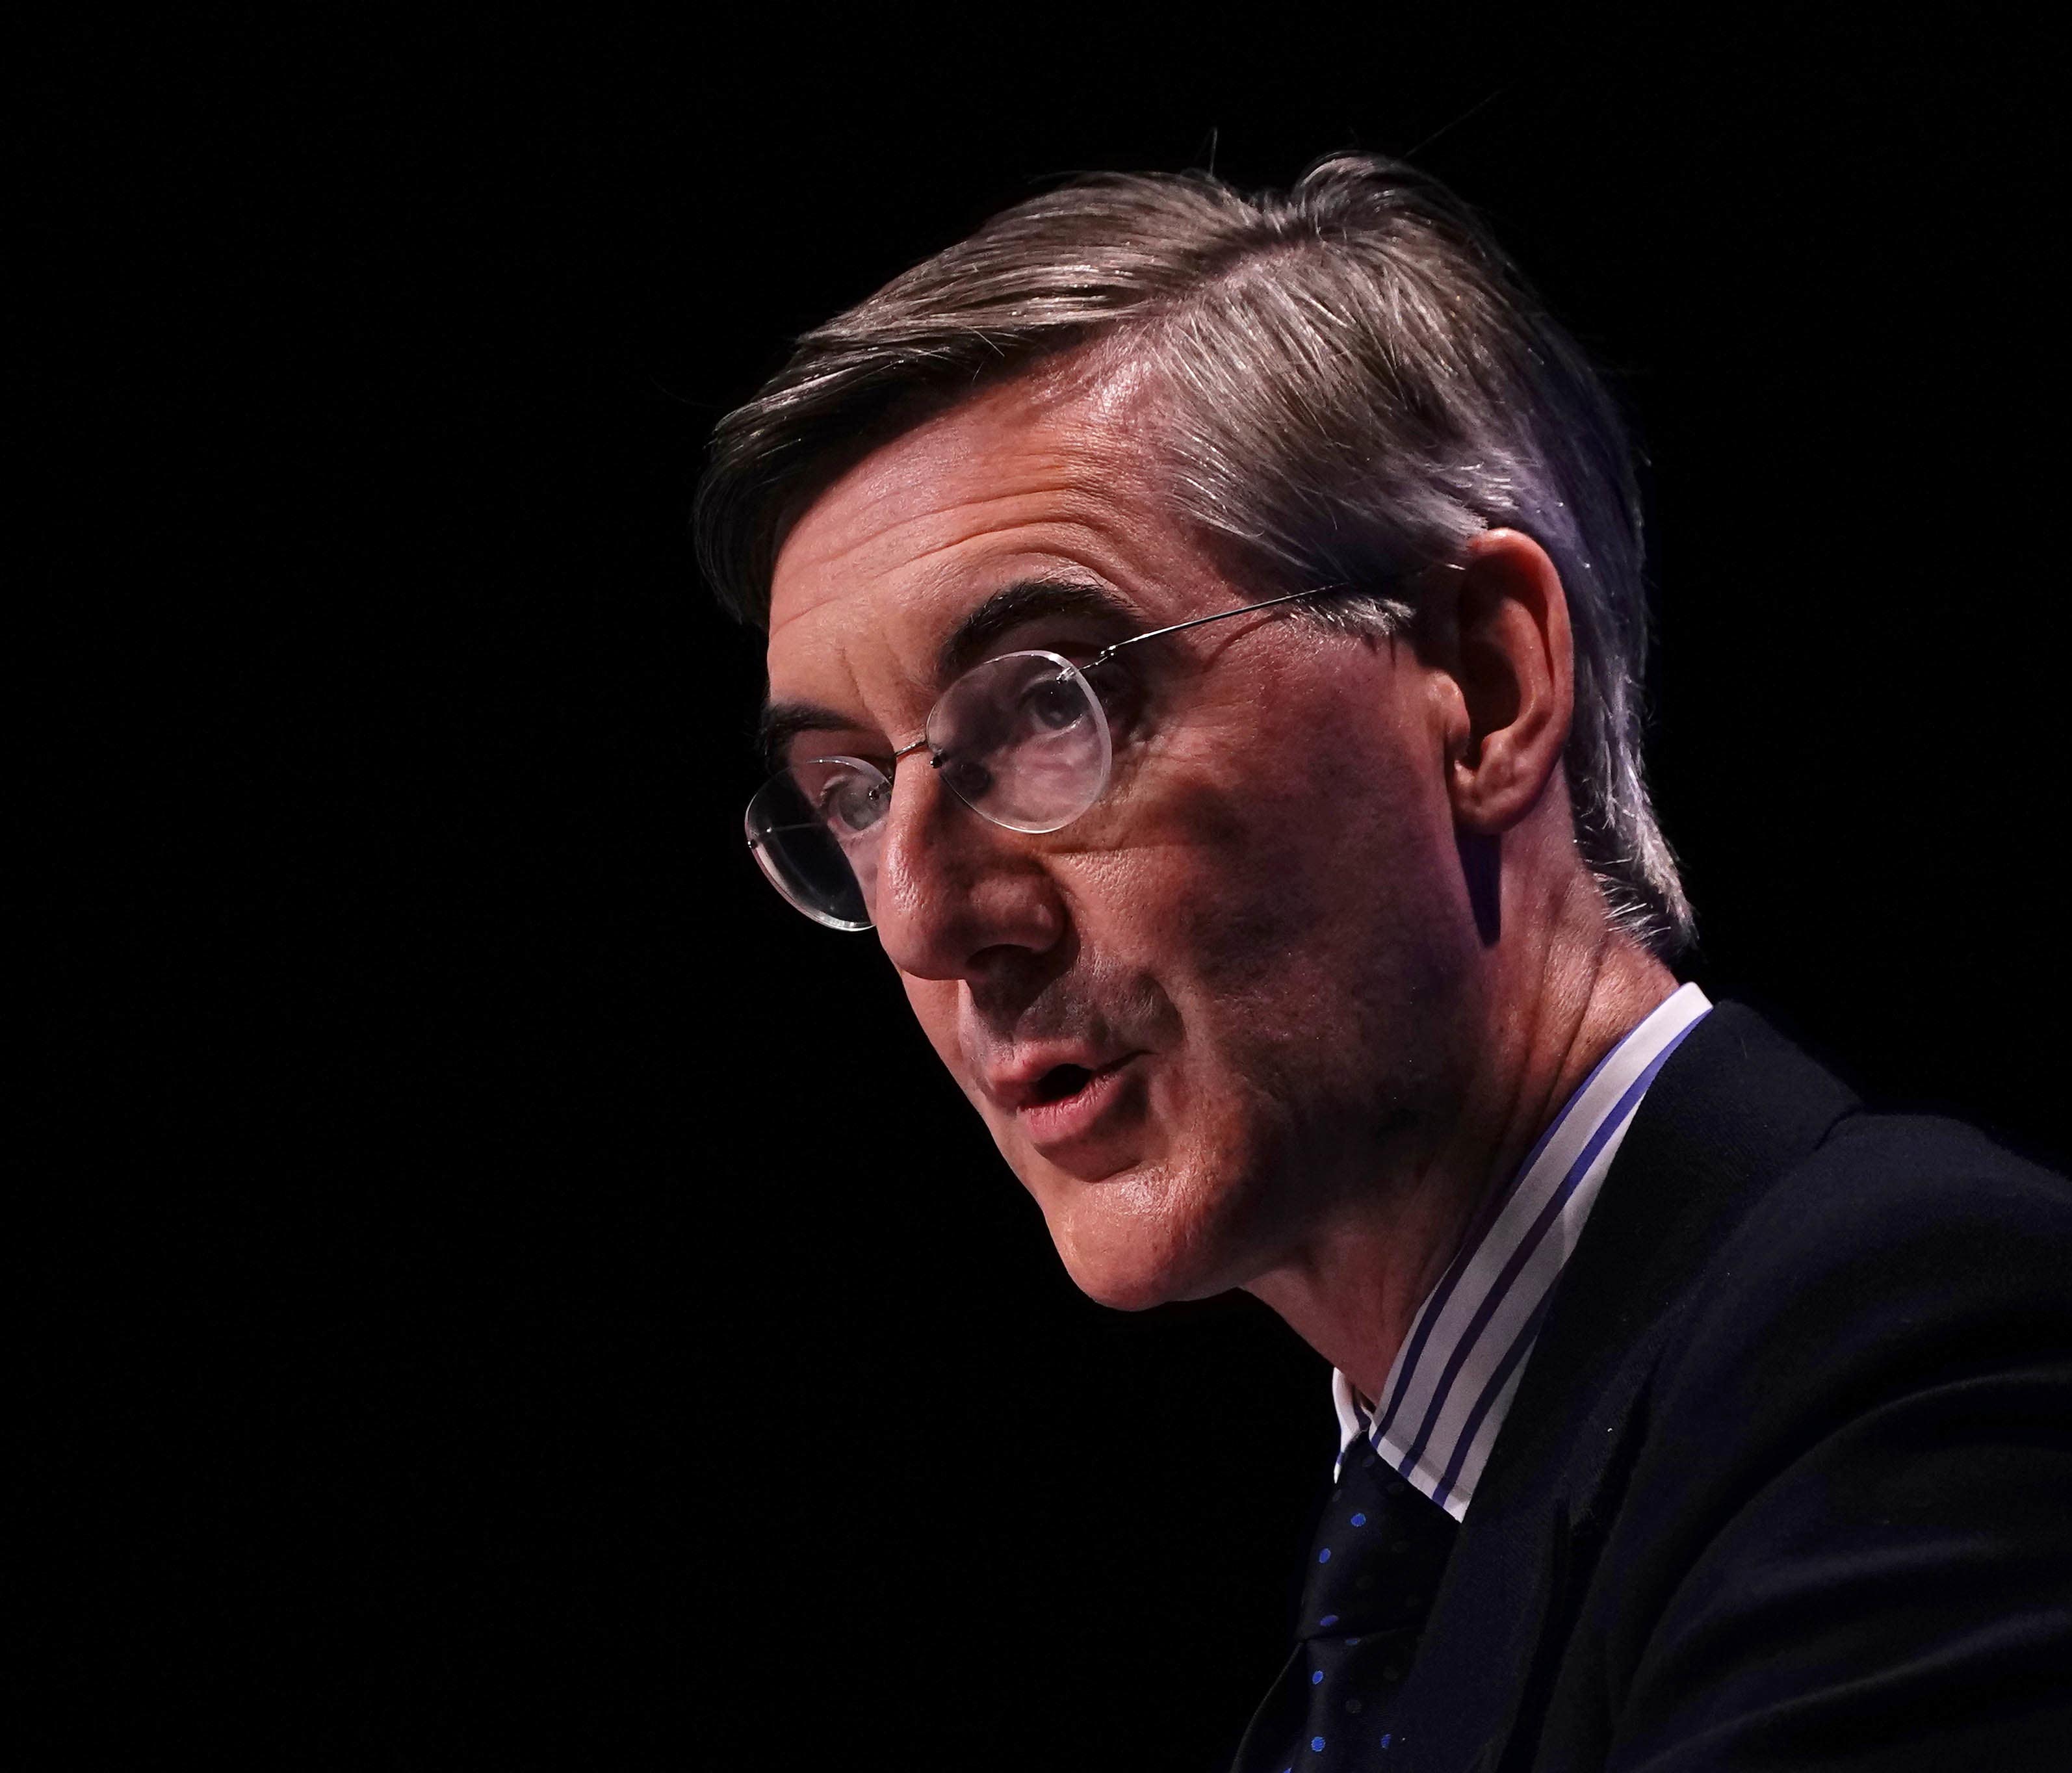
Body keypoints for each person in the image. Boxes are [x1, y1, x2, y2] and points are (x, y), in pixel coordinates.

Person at [693, 157, 2072, 1768]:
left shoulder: (1907, 1350)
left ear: (1482, 686)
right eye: (851, 798)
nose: (927, 918)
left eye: (1050, 703)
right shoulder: (1409, 1572)